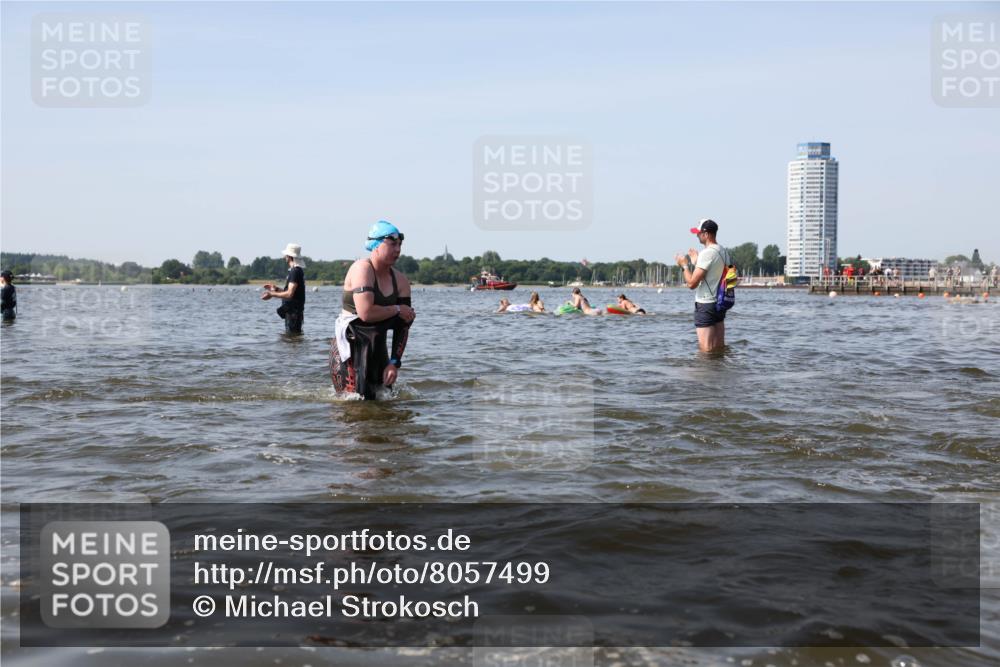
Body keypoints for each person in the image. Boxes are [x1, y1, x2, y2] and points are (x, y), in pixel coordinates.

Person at [330, 221, 415, 400]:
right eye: (392, 244)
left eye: (400, 244)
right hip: (350, 348)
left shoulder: (401, 281)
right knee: (352, 405)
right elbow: (366, 313)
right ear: (375, 245)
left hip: (377, 347)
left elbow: (404, 324)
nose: (398, 249)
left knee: (383, 400)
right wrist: (397, 308)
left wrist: (394, 363)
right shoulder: (362, 268)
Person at [676, 218, 732, 353]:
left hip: (706, 304)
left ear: (706, 234)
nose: (697, 235)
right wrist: (696, 262)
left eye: (699, 233)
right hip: (720, 303)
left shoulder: (707, 253)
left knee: (706, 350)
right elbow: (713, 274)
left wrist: (684, 265)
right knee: (718, 349)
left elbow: (692, 283)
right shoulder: (723, 251)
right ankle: (718, 373)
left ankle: (705, 373)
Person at [261, 243, 306, 334]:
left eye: (286, 255)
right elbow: (292, 293)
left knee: (292, 339)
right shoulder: (296, 271)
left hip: (293, 314)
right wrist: (276, 289)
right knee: (293, 340)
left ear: (289, 257)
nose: (284, 256)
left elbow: (289, 294)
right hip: (293, 313)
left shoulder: (295, 271)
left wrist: (271, 294)